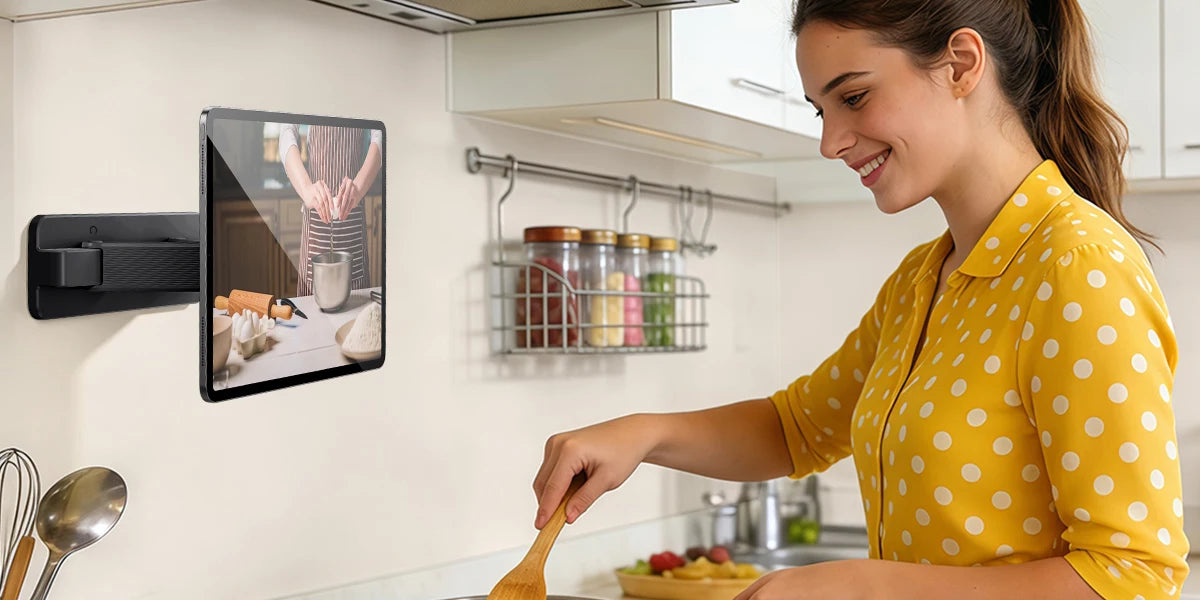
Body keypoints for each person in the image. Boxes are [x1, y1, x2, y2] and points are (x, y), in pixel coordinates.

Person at [531, 1, 1188, 598]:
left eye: (854, 97)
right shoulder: (924, 279)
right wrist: (646, 433)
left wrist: (860, 586)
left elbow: (1132, 574)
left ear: (961, 64)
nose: (831, 141)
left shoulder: (1074, 266)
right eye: (823, 110)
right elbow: (797, 430)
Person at [279, 123, 383, 297]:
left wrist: (357, 187)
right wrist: (306, 188)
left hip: (353, 228)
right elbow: (287, 131)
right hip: (316, 232)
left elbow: (380, 135)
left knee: (355, 320)